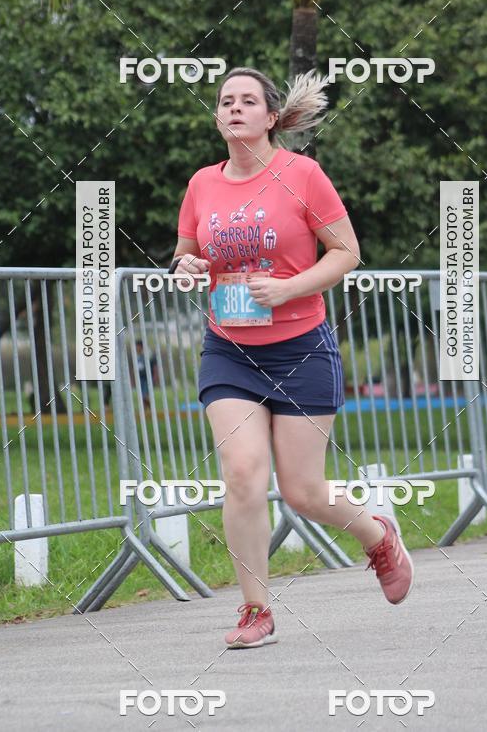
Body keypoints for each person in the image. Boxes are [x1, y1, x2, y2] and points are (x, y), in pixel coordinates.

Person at [170, 67, 413, 649]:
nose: (234, 108)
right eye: (225, 101)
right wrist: (186, 267)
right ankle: (256, 611)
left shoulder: (302, 174)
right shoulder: (202, 183)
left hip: (301, 348)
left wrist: (289, 289)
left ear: (271, 117)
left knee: (303, 491)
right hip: (229, 348)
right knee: (243, 474)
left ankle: (378, 535)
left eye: (247, 100)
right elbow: (184, 254)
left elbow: (346, 252)